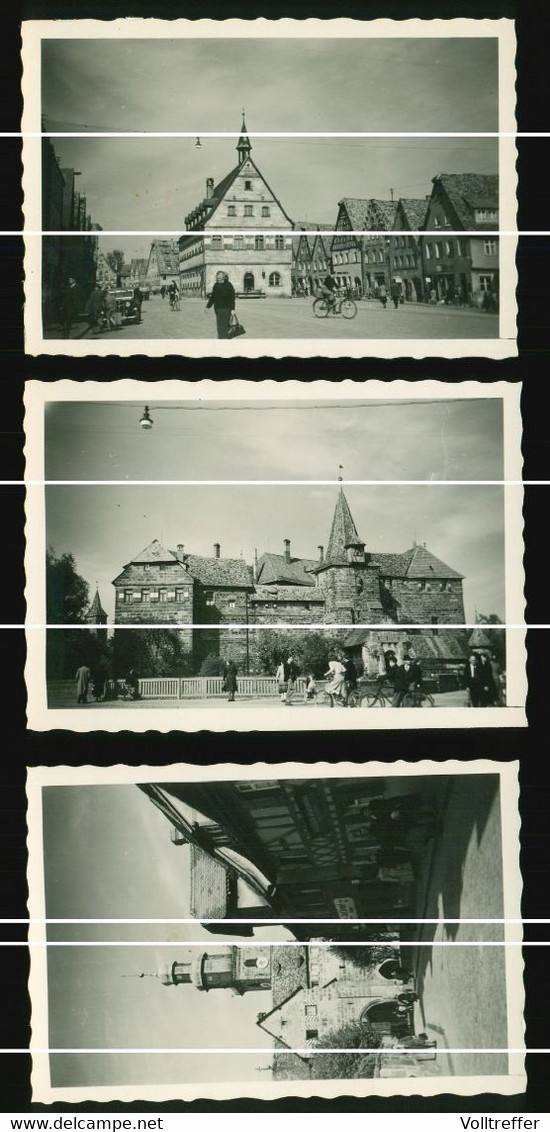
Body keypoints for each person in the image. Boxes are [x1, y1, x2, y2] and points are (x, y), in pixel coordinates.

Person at [206, 271, 236, 339]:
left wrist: (233, 309)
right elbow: (212, 297)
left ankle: (226, 340)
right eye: (217, 277)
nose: (217, 279)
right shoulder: (216, 285)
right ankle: (221, 340)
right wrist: (208, 306)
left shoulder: (229, 285)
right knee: (219, 327)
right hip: (218, 309)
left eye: (219, 277)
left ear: (223, 277)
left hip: (226, 309)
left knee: (225, 326)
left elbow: (232, 298)